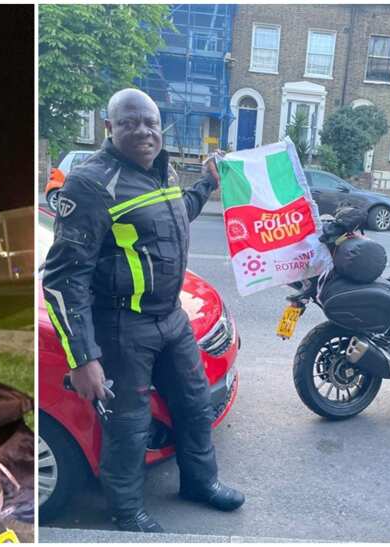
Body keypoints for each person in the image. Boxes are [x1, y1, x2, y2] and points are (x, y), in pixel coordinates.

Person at [42, 88, 244, 532]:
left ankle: (200, 483)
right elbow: (62, 278)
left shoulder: (162, 170)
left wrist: (208, 183)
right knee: (128, 428)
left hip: (171, 319)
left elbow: (177, 214)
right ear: (110, 128)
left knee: (194, 406)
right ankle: (127, 511)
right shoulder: (92, 184)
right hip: (121, 328)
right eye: (130, 123)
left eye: (150, 122)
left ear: (161, 126)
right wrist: (83, 357)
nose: (143, 131)